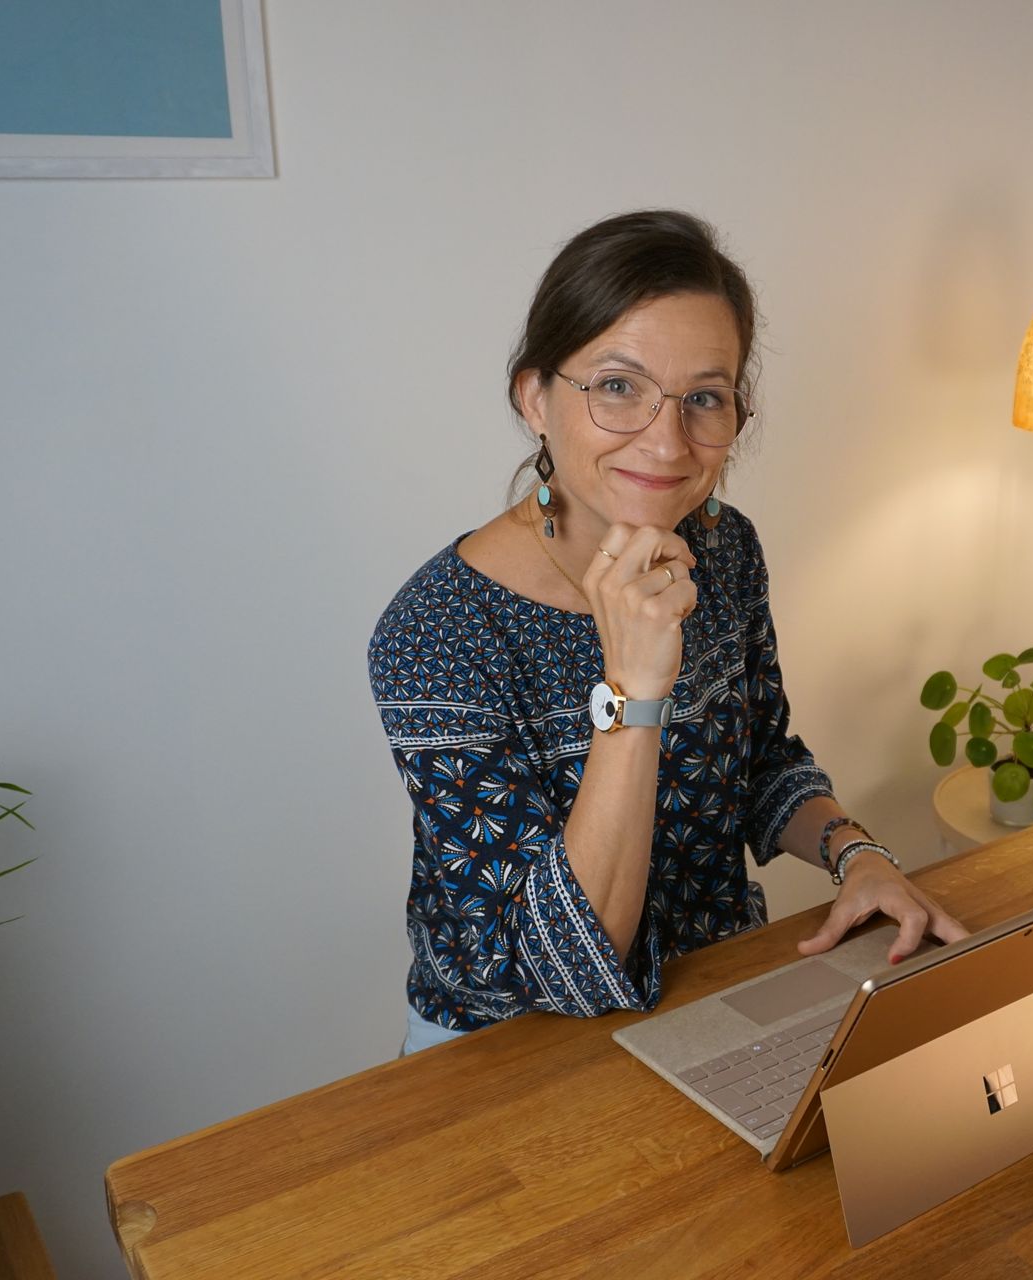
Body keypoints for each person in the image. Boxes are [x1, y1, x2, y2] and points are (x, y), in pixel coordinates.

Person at [369, 209, 968, 1055]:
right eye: (618, 386)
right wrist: (632, 691)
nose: (666, 439)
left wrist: (856, 854)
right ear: (535, 398)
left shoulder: (723, 551)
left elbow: (759, 759)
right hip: (506, 1057)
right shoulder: (437, 632)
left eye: (703, 399)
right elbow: (569, 968)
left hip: (712, 997)